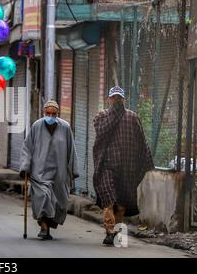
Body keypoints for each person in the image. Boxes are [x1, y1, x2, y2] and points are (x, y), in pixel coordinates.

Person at [93, 86, 154, 246]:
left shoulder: (133, 117)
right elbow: (100, 131)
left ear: (124, 99)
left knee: (120, 205)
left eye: (119, 98)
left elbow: (142, 142)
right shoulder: (102, 116)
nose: (117, 100)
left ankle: (115, 232)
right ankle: (109, 230)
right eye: (114, 98)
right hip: (106, 166)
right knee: (109, 199)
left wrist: (146, 161)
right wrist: (116, 113)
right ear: (109, 99)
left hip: (126, 167)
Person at [19, 100, 78, 240]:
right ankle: (44, 227)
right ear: (43, 112)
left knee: (58, 202)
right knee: (43, 197)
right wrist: (25, 167)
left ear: (57, 114)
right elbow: (27, 148)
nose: (50, 116)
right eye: (48, 113)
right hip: (40, 172)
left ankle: (47, 225)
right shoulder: (36, 126)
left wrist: (73, 171)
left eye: (53, 113)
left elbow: (71, 150)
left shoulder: (65, 127)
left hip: (60, 172)